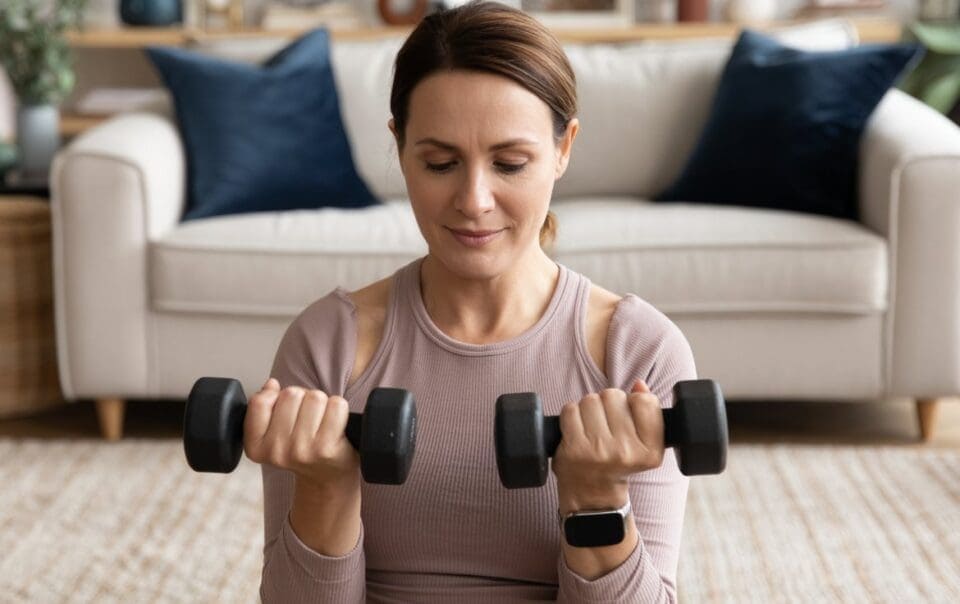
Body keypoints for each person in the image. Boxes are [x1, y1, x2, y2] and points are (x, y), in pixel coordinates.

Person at [247, 1, 695, 601]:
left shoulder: (639, 352)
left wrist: (595, 497)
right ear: (400, 148)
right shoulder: (330, 343)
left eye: (510, 163)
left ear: (564, 149)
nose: (474, 199)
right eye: (440, 163)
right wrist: (326, 488)